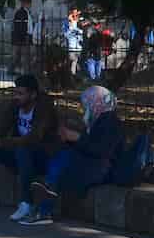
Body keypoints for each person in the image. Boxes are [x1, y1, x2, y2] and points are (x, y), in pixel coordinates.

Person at [22, 85, 124, 226]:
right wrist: (70, 138)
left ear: (98, 103)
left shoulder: (110, 121)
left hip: (102, 170)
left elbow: (102, 150)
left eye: (88, 103)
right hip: (92, 165)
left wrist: (77, 138)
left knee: (61, 163)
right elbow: (89, 146)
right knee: (59, 159)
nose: (85, 107)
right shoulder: (98, 120)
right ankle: (45, 197)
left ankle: (45, 205)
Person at [0, 74, 61, 221]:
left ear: (33, 94)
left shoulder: (44, 107)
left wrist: (3, 142)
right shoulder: (16, 104)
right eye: (15, 92)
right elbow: (3, 126)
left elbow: (34, 138)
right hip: (21, 155)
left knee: (22, 150)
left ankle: (27, 202)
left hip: (42, 157)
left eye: (21, 93)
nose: (16, 96)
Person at [11, 0, 34, 79]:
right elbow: (20, 26)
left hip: (25, 36)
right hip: (23, 37)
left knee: (23, 55)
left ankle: (20, 70)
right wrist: (24, 37)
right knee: (21, 55)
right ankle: (19, 71)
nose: (30, 5)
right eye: (29, 3)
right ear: (25, 3)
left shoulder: (27, 12)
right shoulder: (21, 13)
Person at [64, 9, 84, 81]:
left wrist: (78, 30)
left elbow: (83, 32)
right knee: (72, 61)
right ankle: (70, 77)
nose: (76, 15)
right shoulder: (67, 22)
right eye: (74, 13)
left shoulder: (80, 22)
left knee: (77, 62)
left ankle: (75, 77)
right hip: (71, 46)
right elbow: (65, 34)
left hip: (78, 46)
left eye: (77, 13)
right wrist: (72, 29)